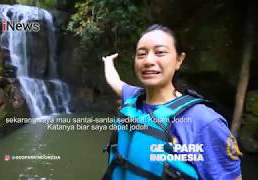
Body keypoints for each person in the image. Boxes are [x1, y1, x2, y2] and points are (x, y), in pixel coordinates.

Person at [102, 24, 242, 179]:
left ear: (179, 60)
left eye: (160, 52)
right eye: (141, 54)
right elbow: (114, 81)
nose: (148, 61)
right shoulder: (134, 98)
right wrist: (108, 62)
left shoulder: (204, 121)